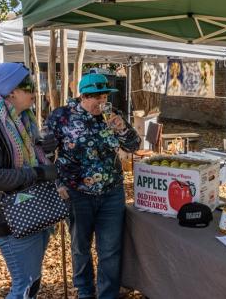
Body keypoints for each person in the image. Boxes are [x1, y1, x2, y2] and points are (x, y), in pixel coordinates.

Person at [0, 63, 58, 299]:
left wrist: (43, 148)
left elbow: (25, 156)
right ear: (11, 91)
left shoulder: (21, 120)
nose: (35, 91)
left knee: (31, 283)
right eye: (28, 86)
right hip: (9, 217)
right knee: (24, 286)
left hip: (33, 209)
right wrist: (37, 173)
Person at [46, 73, 140, 299]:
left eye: (105, 96)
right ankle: (85, 292)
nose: (102, 102)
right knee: (81, 247)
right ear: (84, 96)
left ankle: (108, 293)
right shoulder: (61, 117)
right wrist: (56, 183)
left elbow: (134, 145)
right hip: (77, 192)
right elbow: (45, 153)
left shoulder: (113, 116)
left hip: (111, 192)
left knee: (110, 249)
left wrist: (122, 129)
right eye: (98, 97)